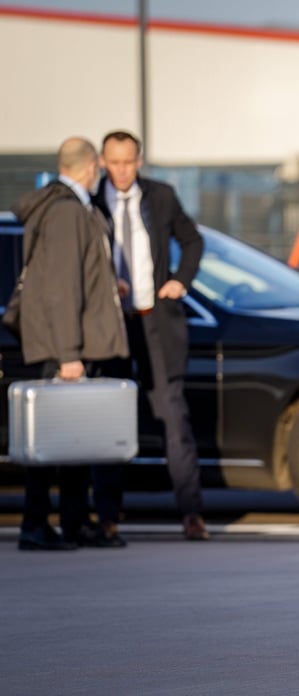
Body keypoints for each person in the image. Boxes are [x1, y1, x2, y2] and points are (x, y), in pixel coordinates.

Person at [10, 137, 130, 550]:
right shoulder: (65, 211)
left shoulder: (70, 206)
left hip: (74, 344)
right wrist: (69, 356)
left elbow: (75, 276)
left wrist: (108, 286)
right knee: (52, 444)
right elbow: (61, 289)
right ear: (92, 165)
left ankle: (75, 523)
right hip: (64, 348)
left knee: (76, 439)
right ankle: (36, 525)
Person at [94, 129, 209, 541]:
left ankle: (191, 514)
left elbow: (193, 240)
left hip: (156, 321)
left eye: (129, 162)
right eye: (114, 162)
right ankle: (106, 516)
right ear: (103, 162)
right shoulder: (90, 204)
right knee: (109, 420)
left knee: (173, 417)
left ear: (139, 161)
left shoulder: (160, 195)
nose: (122, 171)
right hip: (111, 327)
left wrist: (180, 281)